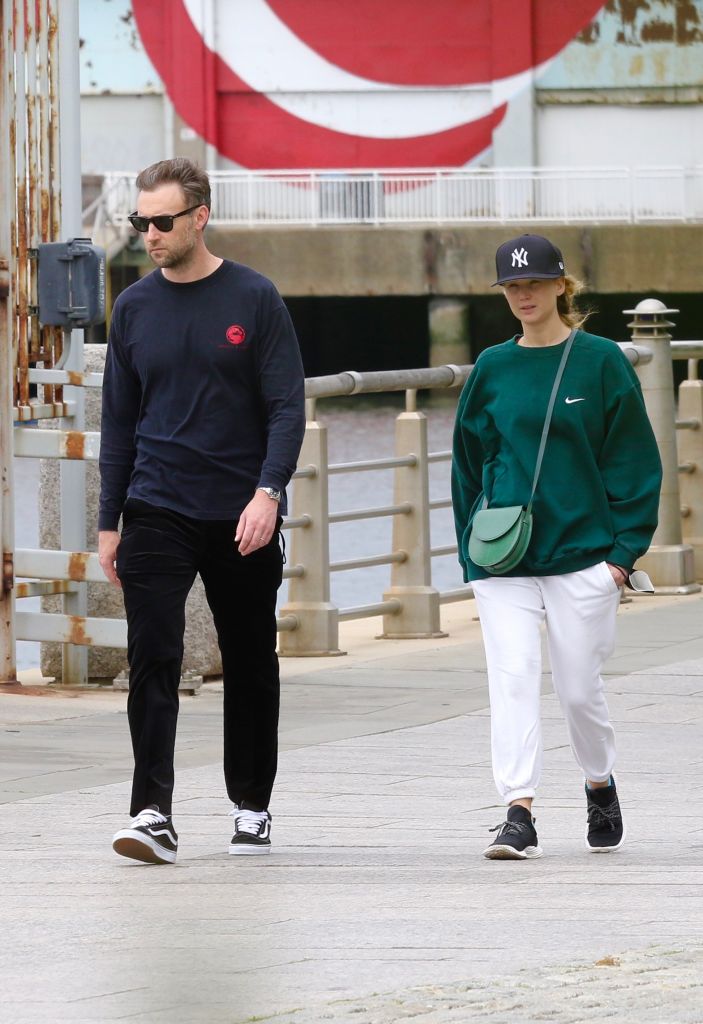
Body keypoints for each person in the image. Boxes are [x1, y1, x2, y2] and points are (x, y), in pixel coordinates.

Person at [98, 157, 306, 864]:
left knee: (250, 660)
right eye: (140, 222)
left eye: (161, 222)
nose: (149, 235)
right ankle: (151, 810)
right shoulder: (132, 308)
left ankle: (251, 805)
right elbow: (119, 422)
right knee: (152, 658)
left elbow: (285, 406)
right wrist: (107, 523)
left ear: (199, 217)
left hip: (241, 511)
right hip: (156, 506)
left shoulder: (254, 298)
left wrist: (268, 493)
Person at [451, 233, 662, 861]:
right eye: (513, 286)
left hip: (585, 557)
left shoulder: (600, 362)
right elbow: (468, 463)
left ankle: (599, 782)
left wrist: (621, 558)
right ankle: (518, 812)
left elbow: (635, 464)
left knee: (578, 688)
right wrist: (472, 552)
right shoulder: (492, 366)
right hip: (505, 562)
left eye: (535, 284)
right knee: (511, 678)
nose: (523, 295)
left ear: (560, 287)